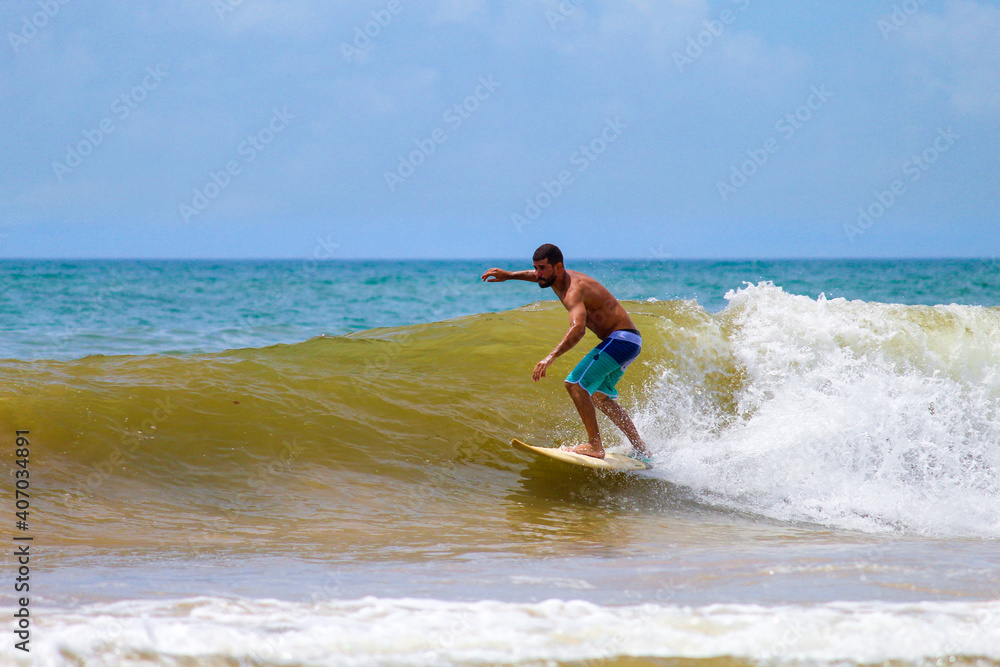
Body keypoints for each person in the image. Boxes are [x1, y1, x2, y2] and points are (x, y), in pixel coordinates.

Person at [481, 243, 651, 461]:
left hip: (620, 340)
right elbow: (537, 277)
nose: (538, 274)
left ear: (558, 267)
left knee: (575, 384)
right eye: (536, 267)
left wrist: (550, 357)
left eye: (542, 268)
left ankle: (594, 445)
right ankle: (641, 448)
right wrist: (509, 275)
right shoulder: (555, 277)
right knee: (599, 396)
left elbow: (578, 328)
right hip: (631, 341)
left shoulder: (573, 290)